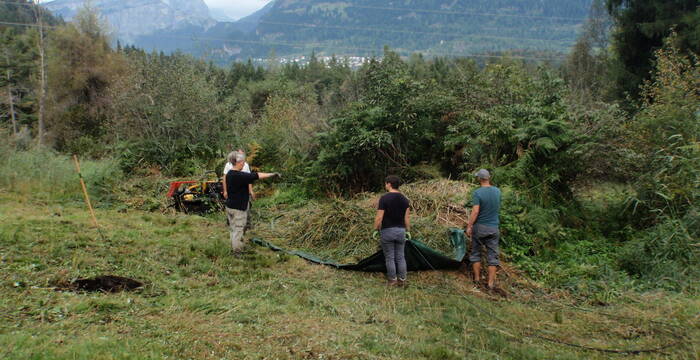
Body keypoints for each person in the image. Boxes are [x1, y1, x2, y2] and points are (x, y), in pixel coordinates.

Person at [223, 152, 279, 252]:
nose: (244, 164)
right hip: (238, 208)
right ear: (238, 162)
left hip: (230, 206)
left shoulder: (230, 174)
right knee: (238, 230)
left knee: (233, 228)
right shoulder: (239, 176)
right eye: (243, 162)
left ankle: (234, 246)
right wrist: (272, 174)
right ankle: (237, 252)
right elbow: (257, 175)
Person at [466, 169, 502, 291]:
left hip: (480, 227)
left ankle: (477, 280)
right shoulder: (497, 191)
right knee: (493, 256)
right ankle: (490, 284)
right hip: (494, 227)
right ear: (488, 178)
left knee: (476, 253)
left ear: (479, 179)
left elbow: (475, 211)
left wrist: (469, 226)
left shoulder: (478, 193)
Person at [374, 175, 411, 286]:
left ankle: (392, 280)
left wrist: (375, 229)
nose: (385, 185)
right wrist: (408, 231)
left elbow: (379, 217)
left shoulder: (384, 198)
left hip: (387, 231)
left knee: (390, 257)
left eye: (385, 183)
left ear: (389, 184)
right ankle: (403, 280)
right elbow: (407, 218)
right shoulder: (405, 199)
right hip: (400, 231)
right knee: (400, 256)